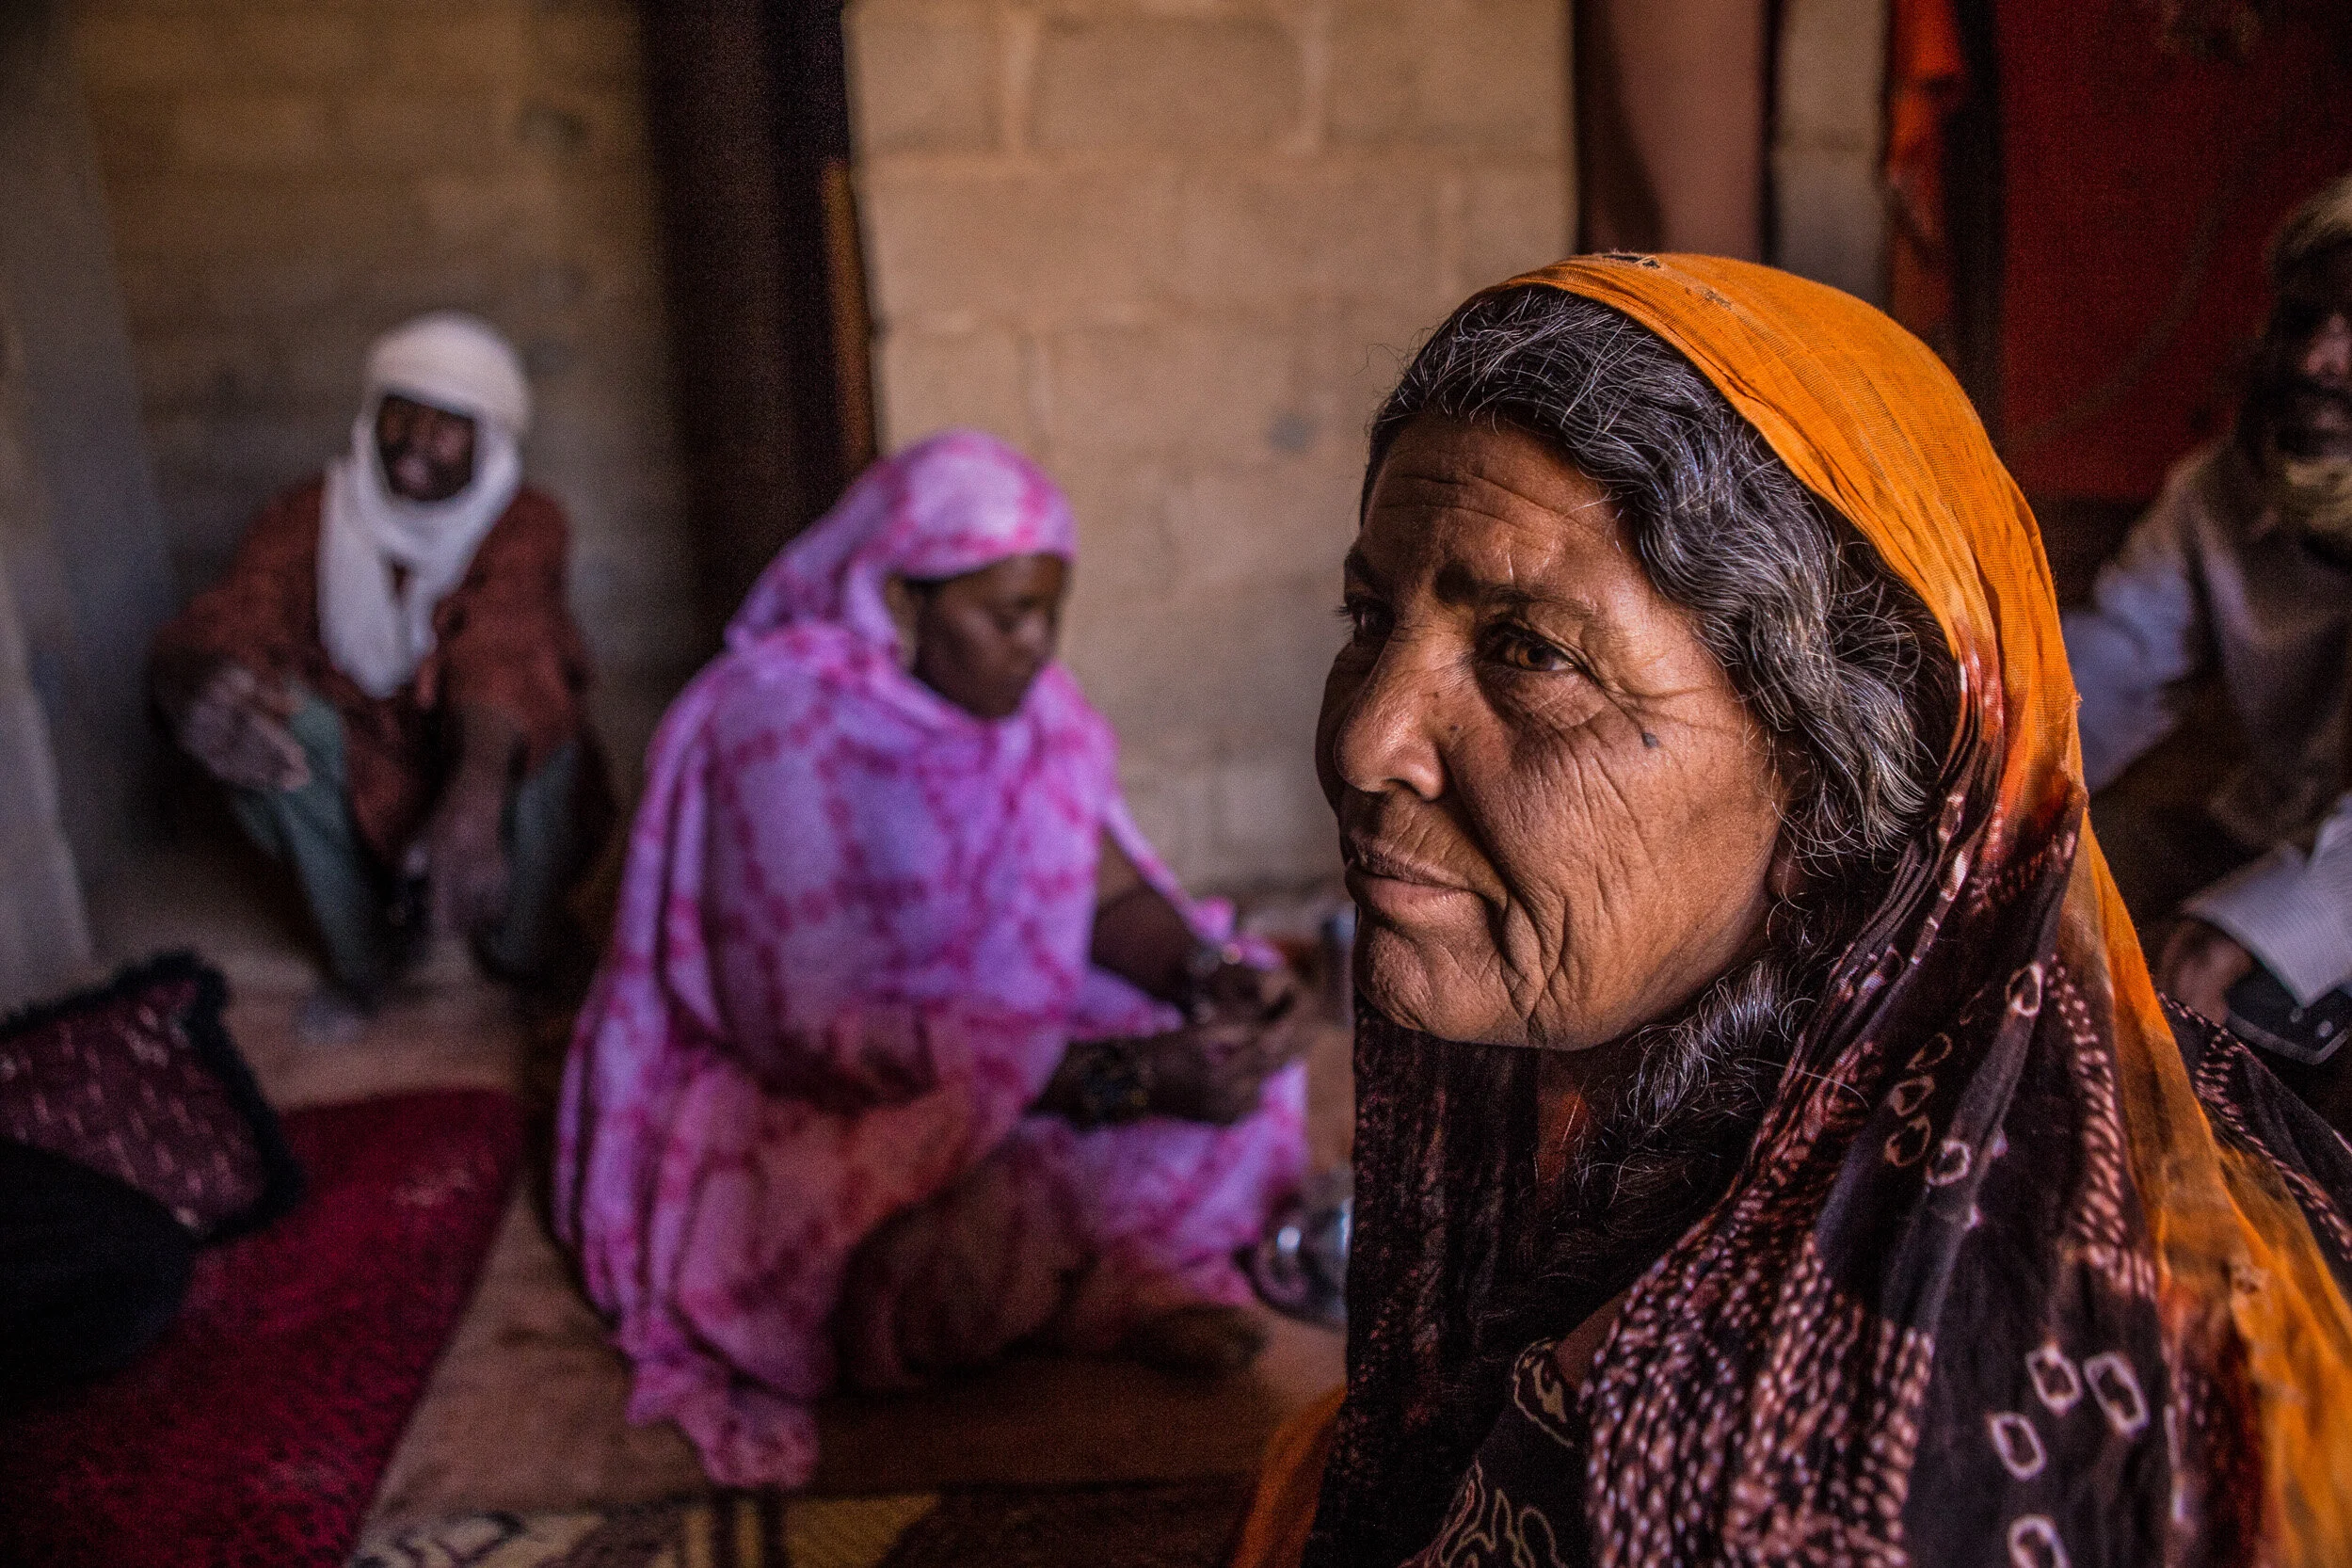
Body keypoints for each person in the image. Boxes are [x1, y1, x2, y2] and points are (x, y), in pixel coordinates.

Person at [1228, 257, 2352, 1568]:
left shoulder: (1858, 1428)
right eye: (1367, 613)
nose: (1366, 739)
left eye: (1529, 652)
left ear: (1831, 777)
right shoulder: (1655, 1137)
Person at [556, 429, 1308, 1490]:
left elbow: (1105, 890)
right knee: (892, 1261)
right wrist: (1117, 1078)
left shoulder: (1033, 713)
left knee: (1254, 1069)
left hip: (1006, 1037)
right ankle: (1090, 1276)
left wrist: (1203, 973)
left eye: (1053, 610)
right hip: (830, 1084)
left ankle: (1103, 1275)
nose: (1040, 647)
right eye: (1007, 615)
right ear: (901, 601)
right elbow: (808, 1032)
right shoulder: (781, 728)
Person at [148, 312, 606, 1037]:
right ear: (373, 417)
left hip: (469, 756)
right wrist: (190, 678)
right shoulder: (309, 514)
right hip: (368, 759)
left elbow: (508, 642)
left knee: (542, 727)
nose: (417, 443)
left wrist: (474, 794)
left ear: (487, 442)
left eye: (448, 426)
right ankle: (367, 965)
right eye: (401, 416)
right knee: (267, 724)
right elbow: (245, 611)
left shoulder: (525, 517)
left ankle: (525, 954)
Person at [2064, 173, 2352, 1062]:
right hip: (2268, 821)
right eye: (2304, 322)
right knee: (2033, 889)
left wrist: (2250, 930)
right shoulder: (2221, 491)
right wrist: (1974, 777)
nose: (2316, 361)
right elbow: (2110, 667)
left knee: (2239, 1015)